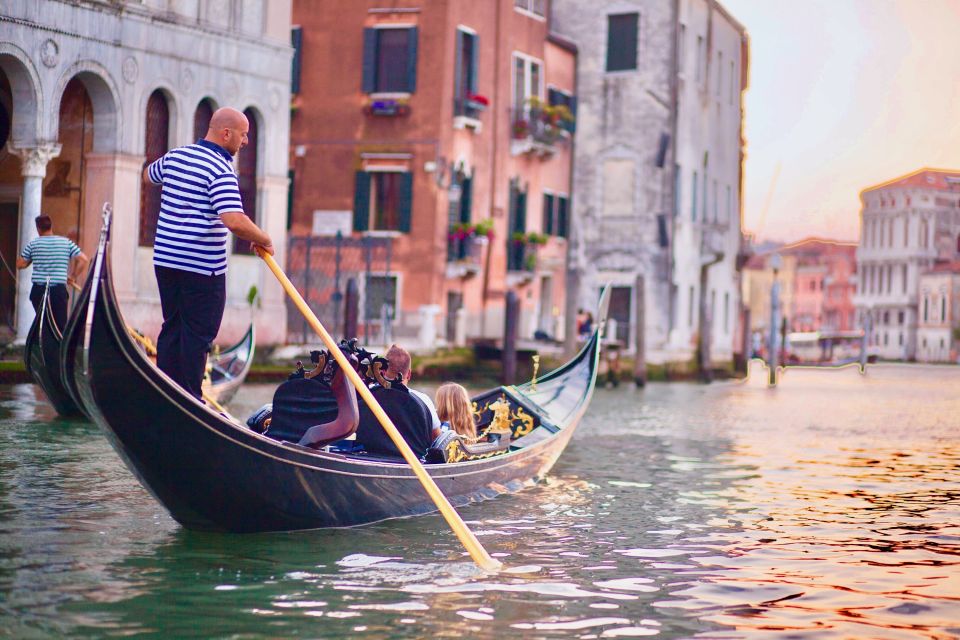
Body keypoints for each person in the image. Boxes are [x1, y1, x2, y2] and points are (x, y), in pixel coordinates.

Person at [142, 107, 274, 401]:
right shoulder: (220, 169)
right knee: (197, 335)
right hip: (202, 269)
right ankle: (189, 400)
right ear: (226, 133)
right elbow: (234, 220)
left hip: (166, 261)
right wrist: (264, 238)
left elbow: (149, 175)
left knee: (172, 328)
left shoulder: (176, 156)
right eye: (244, 135)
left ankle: (165, 393)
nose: (246, 142)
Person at [354, 344, 435, 458]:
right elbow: (435, 441)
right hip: (412, 464)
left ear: (382, 371)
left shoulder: (365, 397)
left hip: (368, 459)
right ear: (409, 374)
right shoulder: (424, 401)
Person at [16, 215, 89, 331]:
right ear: (51, 226)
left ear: (38, 228)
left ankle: (44, 345)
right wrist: (73, 276)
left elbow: (20, 264)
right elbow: (83, 260)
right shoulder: (66, 243)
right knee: (60, 326)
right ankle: (58, 347)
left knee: (43, 325)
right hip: (58, 291)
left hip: (39, 290)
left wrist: (32, 259)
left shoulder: (33, 244)